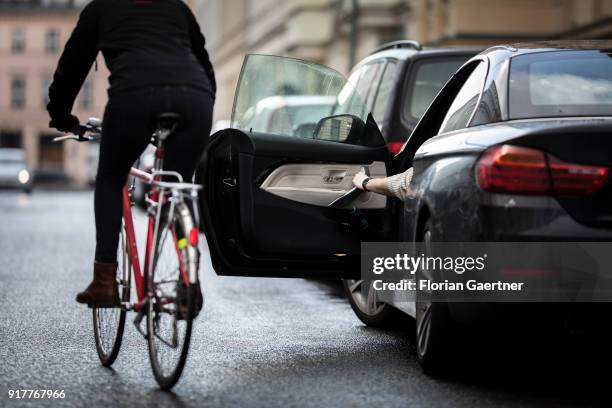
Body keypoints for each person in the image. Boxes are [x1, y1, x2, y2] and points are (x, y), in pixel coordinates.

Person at [47, 0, 216, 307]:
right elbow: (205, 65)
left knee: (111, 178)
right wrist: (200, 103)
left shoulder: (101, 9)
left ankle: (104, 282)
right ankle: (188, 277)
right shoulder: (177, 9)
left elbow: (71, 67)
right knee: (176, 185)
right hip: (195, 98)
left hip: (135, 96)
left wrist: (60, 116)